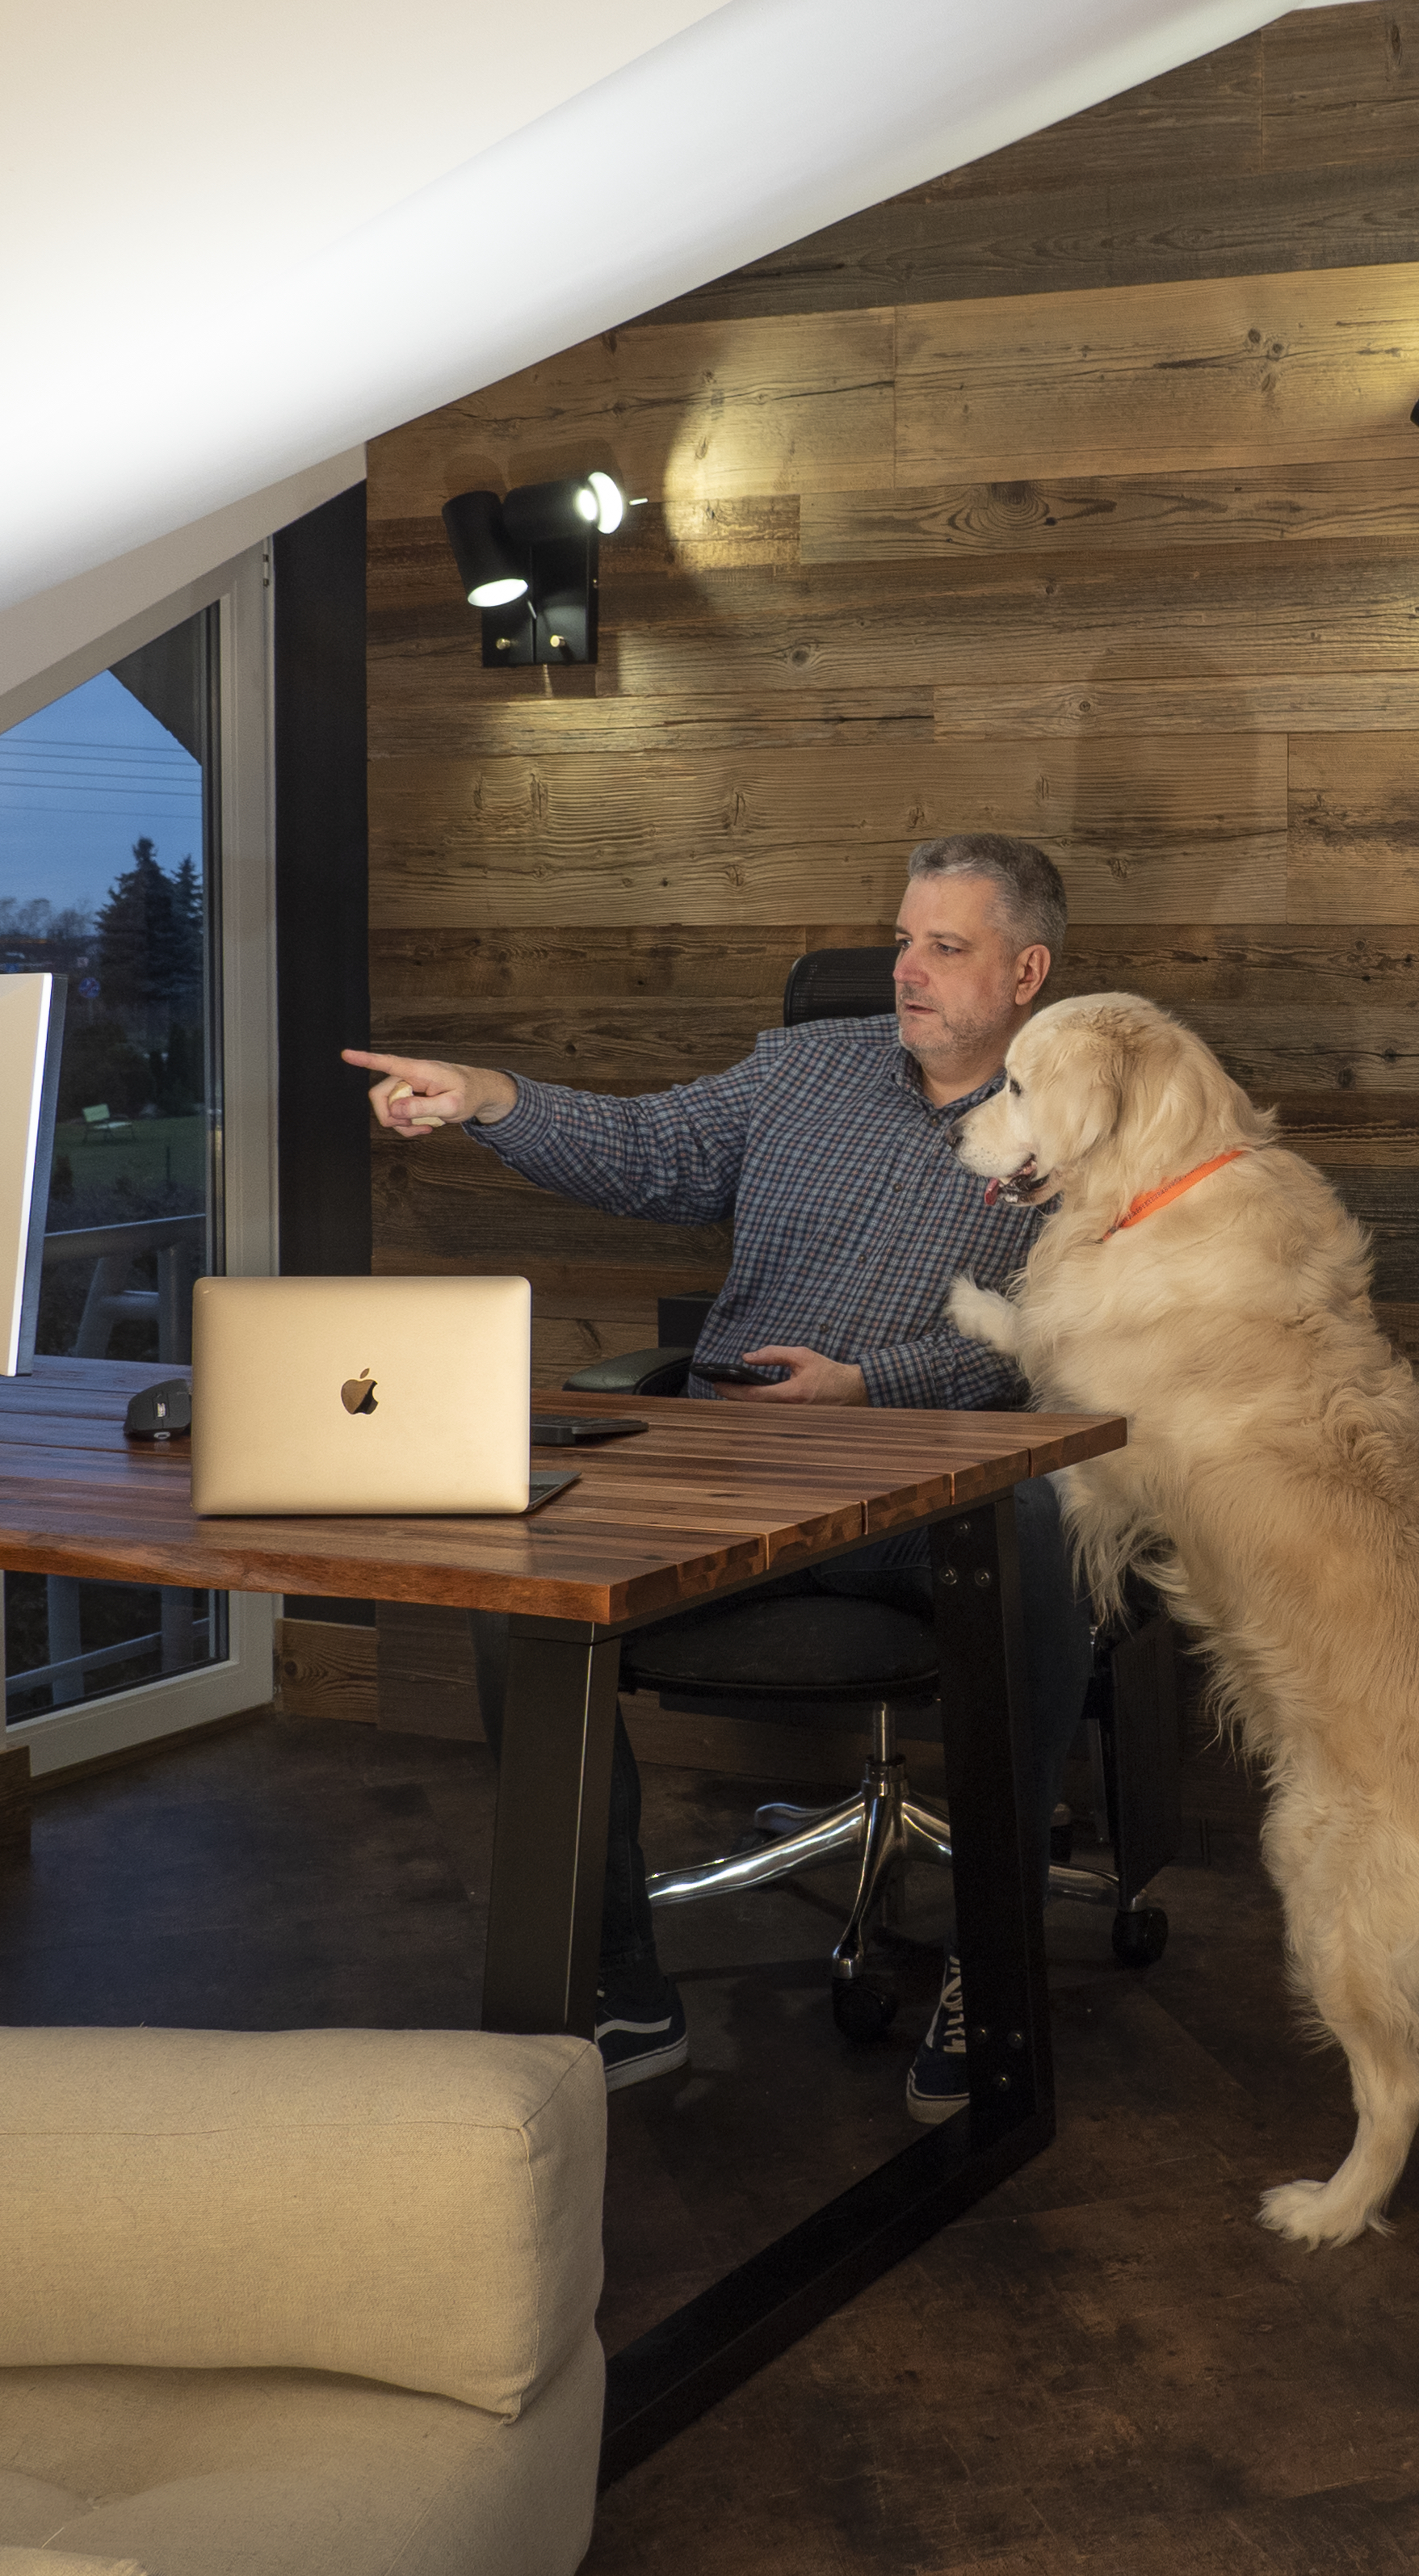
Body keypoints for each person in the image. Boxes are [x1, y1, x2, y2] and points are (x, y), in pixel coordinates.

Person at [341, 834, 1091, 2120]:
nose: (905, 971)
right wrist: (485, 1093)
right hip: (734, 1464)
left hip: (936, 1486)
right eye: (903, 939)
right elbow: (646, 1149)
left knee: (1048, 1531)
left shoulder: (1086, 1114)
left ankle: (992, 1971)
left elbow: (1055, 1314)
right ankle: (620, 1977)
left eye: (944, 947)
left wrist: (871, 1387)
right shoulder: (808, 1066)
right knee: (510, 1557)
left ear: (1026, 971)